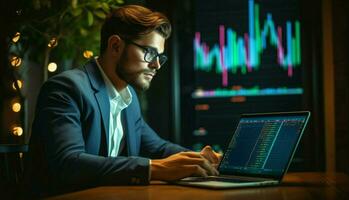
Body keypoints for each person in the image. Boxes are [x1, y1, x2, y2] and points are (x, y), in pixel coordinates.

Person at [24, 5, 221, 197]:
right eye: (150, 53)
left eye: (160, 56)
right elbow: (68, 164)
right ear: (115, 46)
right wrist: (154, 168)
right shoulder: (66, 89)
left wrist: (201, 160)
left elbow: (158, 148)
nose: (157, 65)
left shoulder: (128, 98)